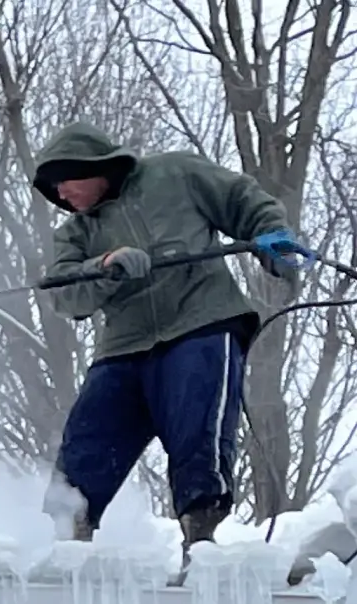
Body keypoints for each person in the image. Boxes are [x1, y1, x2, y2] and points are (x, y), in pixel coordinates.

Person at [30, 122, 315, 548]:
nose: (62, 197)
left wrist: (272, 236)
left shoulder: (176, 173)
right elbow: (65, 294)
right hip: (124, 347)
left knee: (197, 431)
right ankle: (67, 540)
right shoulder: (76, 233)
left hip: (201, 320)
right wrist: (105, 266)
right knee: (87, 443)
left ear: (90, 167)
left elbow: (241, 199)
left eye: (64, 184)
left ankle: (200, 539)